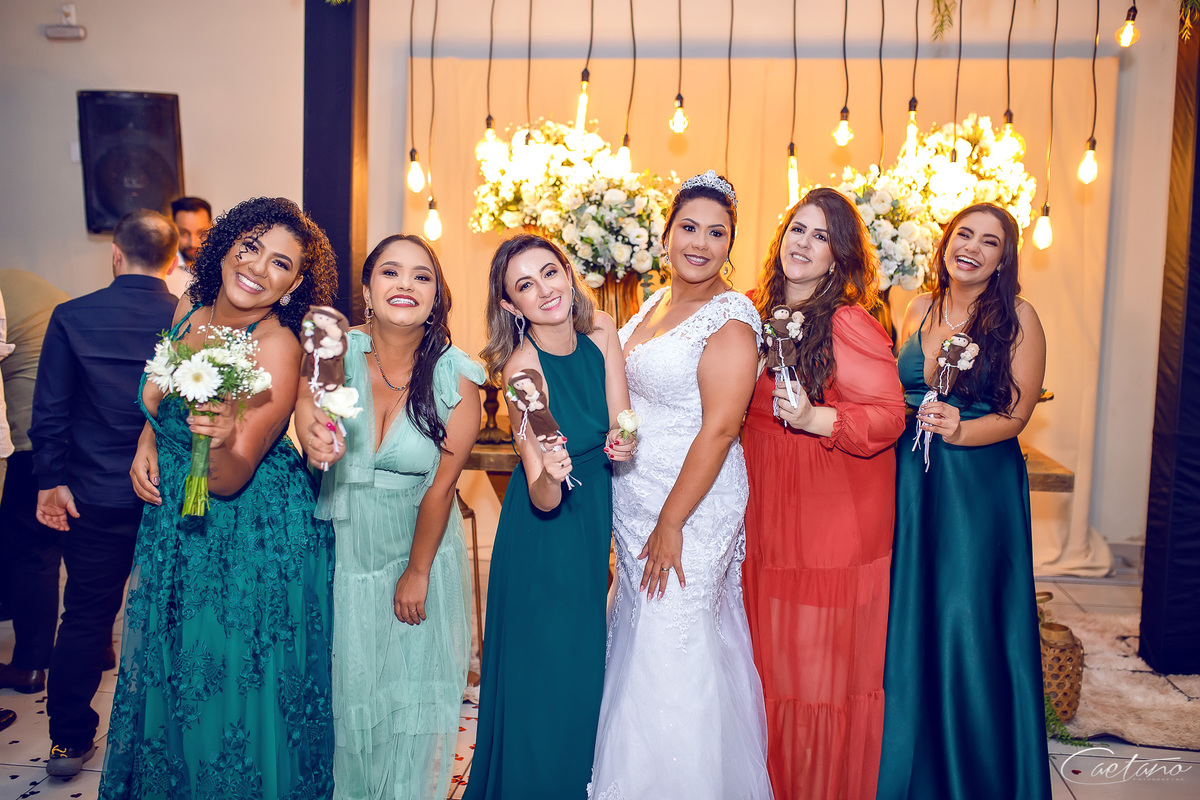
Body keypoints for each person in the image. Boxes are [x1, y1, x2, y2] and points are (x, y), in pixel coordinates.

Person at [99, 197, 339, 799]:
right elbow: (160, 390)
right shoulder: (189, 306)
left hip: (245, 529)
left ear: (294, 285)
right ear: (226, 245)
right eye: (251, 247)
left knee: (226, 682)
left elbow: (231, 477)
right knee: (172, 664)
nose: (258, 267)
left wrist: (222, 434)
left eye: (281, 263)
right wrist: (147, 440)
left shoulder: (278, 345)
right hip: (175, 517)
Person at [588, 171, 772, 800]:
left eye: (716, 233)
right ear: (666, 235)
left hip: (692, 505)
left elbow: (720, 431)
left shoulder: (732, 321)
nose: (700, 243)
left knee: (672, 643)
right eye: (689, 227)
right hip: (637, 498)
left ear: (730, 245)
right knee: (640, 637)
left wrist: (671, 523)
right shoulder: (655, 302)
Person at [295, 234, 484, 800]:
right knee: (344, 694)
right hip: (340, 545)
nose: (405, 284)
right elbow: (307, 412)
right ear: (367, 289)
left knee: (406, 700)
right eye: (390, 272)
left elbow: (442, 487)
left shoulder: (457, 376)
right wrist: (312, 437)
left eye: (422, 276)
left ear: (437, 296)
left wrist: (417, 572)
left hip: (416, 546)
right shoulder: (331, 349)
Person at [876, 203, 1049, 800]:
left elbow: (1018, 414)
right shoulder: (916, 307)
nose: (971, 247)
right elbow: (894, 391)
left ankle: (974, 775)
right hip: (911, 480)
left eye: (989, 241)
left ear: (1004, 259)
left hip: (976, 485)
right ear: (946, 242)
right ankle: (909, 769)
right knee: (910, 611)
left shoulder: (1018, 318)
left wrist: (960, 430)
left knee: (964, 617)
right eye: (963, 234)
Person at [742, 189, 905, 800]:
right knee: (767, 663)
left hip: (827, 517)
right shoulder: (751, 310)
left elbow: (889, 415)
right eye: (797, 229)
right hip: (762, 510)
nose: (804, 244)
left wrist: (817, 419)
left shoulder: (847, 322)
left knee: (813, 673)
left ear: (839, 256)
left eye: (821, 236)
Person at [465, 233, 633, 800]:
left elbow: (621, 418)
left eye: (549, 272)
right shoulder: (522, 372)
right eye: (525, 285)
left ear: (567, 272)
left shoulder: (603, 331)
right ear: (511, 305)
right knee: (551, 667)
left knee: (584, 659)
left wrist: (626, 442)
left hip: (595, 510)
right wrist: (550, 475)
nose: (544, 290)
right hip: (546, 532)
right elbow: (542, 495)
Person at [25, 212, 179, 777]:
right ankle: (174, 739)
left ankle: (67, 741)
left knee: (87, 616)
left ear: (115, 253)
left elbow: (51, 410)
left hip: (95, 493)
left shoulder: (72, 316)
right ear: (172, 261)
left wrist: (50, 481)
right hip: (170, 495)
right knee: (175, 616)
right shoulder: (189, 320)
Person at [0, 270, 68, 725]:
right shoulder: (30, 283)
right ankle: (99, 647)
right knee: (69, 542)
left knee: (32, 552)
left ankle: (29, 664)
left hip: (29, 436)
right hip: (71, 432)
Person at [164, 196, 213, 297]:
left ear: (212, 229)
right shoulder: (162, 271)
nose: (193, 243)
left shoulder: (223, 267)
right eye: (184, 233)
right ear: (172, 230)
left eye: (201, 233)